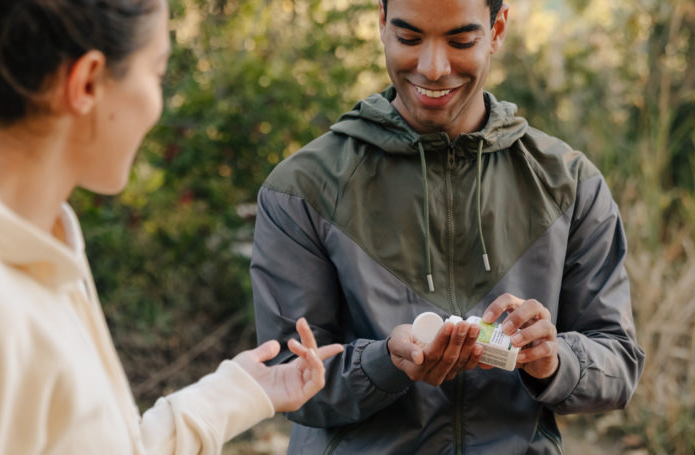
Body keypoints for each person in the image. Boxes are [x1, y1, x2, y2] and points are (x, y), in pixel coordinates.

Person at [0, 0, 342, 453]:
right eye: (156, 73)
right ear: (87, 83)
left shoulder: (40, 250)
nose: (158, 104)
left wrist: (239, 393)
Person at [250, 0, 647, 452]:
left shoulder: (569, 184)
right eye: (408, 38)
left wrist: (554, 359)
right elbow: (286, 376)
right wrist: (384, 363)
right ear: (382, 25)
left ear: (497, 30)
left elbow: (619, 362)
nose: (433, 68)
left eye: (460, 41)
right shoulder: (302, 188)